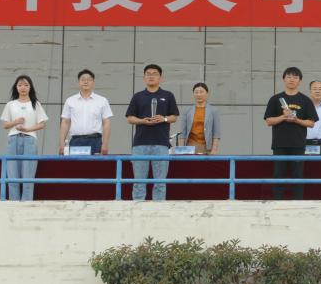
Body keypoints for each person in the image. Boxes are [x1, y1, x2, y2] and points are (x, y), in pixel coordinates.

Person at [124, 64, 179, 201]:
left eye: (155, 74)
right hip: (140, 144)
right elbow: (129, 118)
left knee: (160, 181)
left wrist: (163, 119)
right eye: (148, 74)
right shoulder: (137, 96)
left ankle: (158, 207)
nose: (151, 76)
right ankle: (137, 206)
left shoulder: (168, 95)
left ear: (161, 77)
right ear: (144, 78)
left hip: (161, 143)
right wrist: (142, 121)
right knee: (139, 181)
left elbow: (174, 117)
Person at [264, 67, 318, 200]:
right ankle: (277, 202)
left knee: (297, 175)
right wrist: (283, 117)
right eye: (288, 77)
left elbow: (311, 123)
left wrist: (296, 120)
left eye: (295, 77)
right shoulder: (275, 99)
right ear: (283, 79)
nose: (291, 80)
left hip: (298, 144)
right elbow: (269, 121)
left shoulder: (305, 100)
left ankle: (297, 202)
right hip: (279, 144)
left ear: (300, 81)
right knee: (278, 175)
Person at [0, 75, 49, 200]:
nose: (23, 88)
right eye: (20, 85)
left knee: (28, 175)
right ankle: (14, 202)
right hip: (13, 139)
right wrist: (16, 122)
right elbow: (5, 125)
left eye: (26, 85)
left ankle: (27, 203)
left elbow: (42, 124)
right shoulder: (11, 104)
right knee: (12, 174)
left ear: (30, 87)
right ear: (16, 87)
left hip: (30, 139)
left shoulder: (35, 104)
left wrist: (28, 129)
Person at [58, 69, 113, 155]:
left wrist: (105, 144)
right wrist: (61, 144)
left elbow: (106, 123)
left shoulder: (102, 100)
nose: (86, 82)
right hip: (76, 141)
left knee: (95, 164)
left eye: (89, 79)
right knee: (75, 164)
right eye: (83, 79)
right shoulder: (70, 101)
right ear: (78, 82)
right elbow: (65, 123)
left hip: (95, 141)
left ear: (93, 82)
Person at [178, 82, 221, 154]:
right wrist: (181, 150)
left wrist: (214, 150)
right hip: (190, 147)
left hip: (207, 147)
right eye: (196, 92)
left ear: (207, 93)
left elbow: (216, 133)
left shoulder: (213, 110)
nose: (199, 95)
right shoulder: (187, 110)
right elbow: (182, 132)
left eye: (201, 92)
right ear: (193, 94)